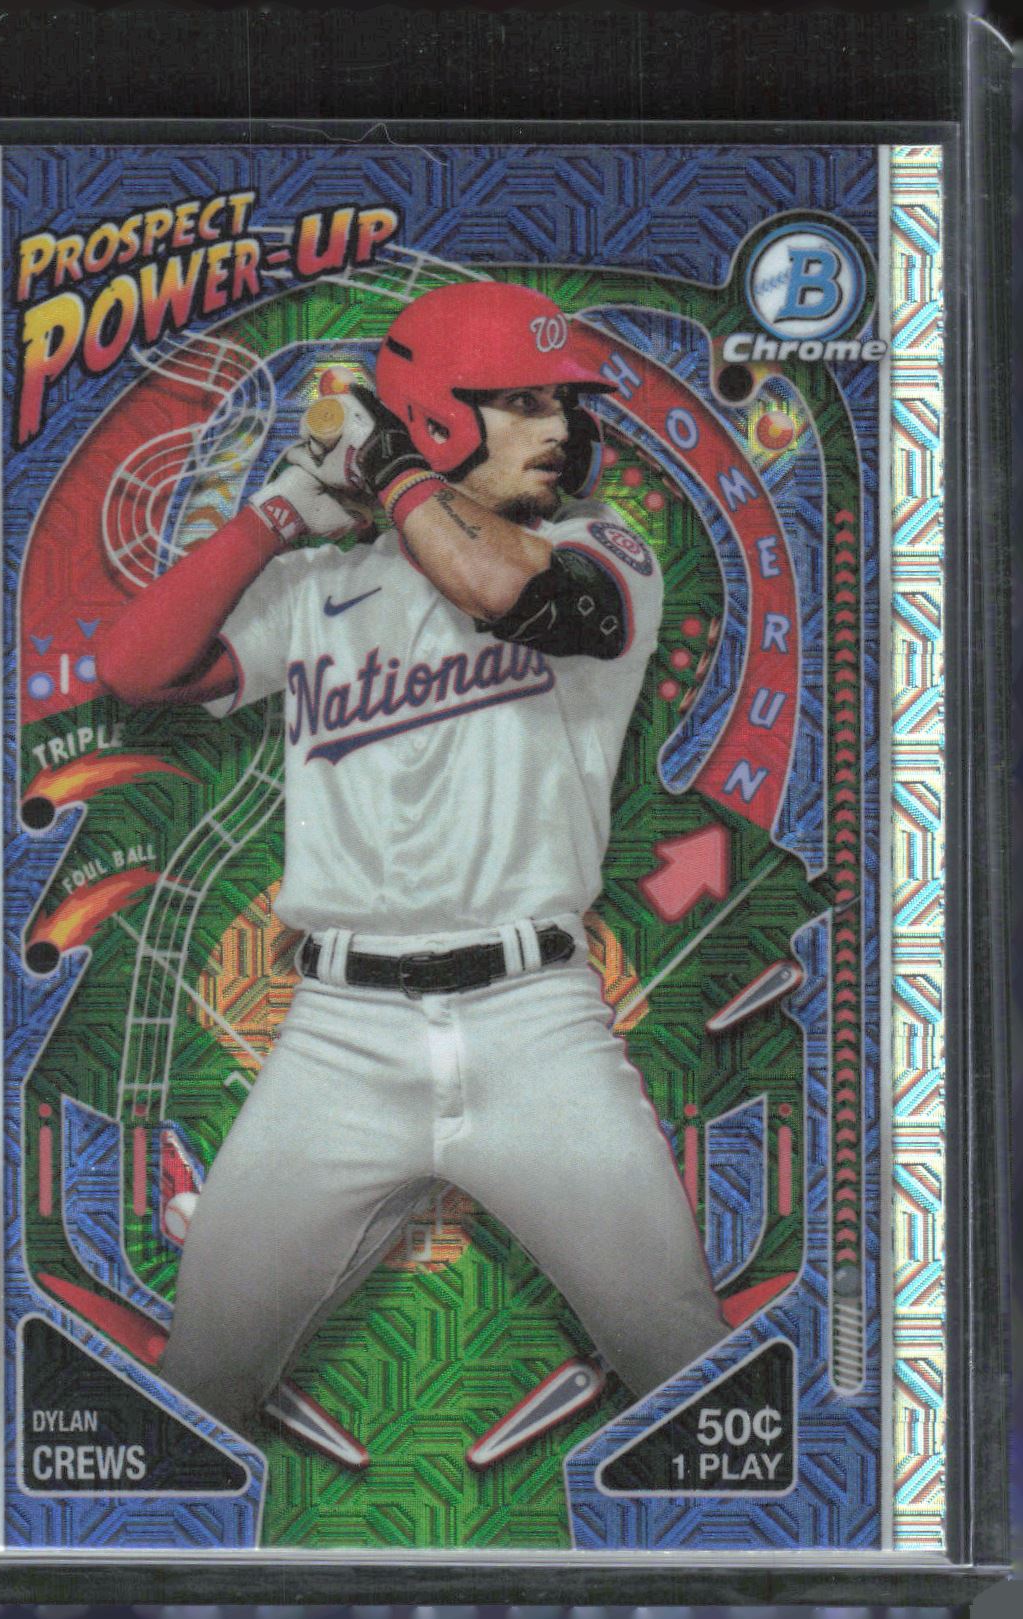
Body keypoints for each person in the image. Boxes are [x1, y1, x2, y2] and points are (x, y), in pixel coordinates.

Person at [97, 280, 726, 1440]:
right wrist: (277, 515)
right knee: (198, 1385)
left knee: (685, 1367)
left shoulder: (603, 550)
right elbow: (134, 667)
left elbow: (499, 588)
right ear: (435, 414)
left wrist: (387, 469)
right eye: (522, 401)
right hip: (337, 1037)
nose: (560, 427)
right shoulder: (320, 587)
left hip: (538, 1026)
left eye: (562, 404)